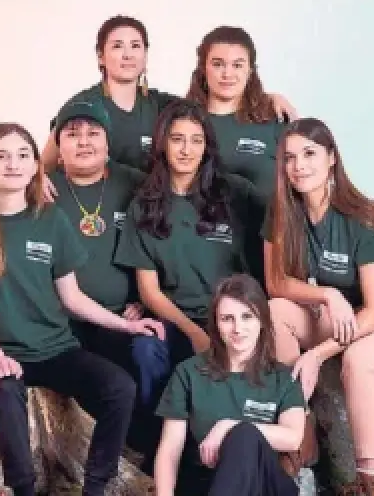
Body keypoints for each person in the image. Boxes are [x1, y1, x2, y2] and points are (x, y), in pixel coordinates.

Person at [0, 122, 163, 496]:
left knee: (119, 388)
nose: (13, 164)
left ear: (35, 166)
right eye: (2, 156)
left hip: (55, 349)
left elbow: (72, 298)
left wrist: (127, 327)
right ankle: (24, 489)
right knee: (8, 392)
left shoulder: (51, 219)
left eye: (23, 155)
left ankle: (96, 486)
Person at [262, 118, 374, 496]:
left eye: (309, 154)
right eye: (289, 157)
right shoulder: (282, 212)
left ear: (331, 158)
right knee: (275, 312)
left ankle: (370, 481)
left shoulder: (362, 216)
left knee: (359, 359)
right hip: (343, 310)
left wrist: (318, 354)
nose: (299, 166)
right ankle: (299, 433)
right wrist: (327, 295)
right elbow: (276, 282)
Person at [113, 98, 263, 464]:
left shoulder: (235, 194)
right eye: (177, 139)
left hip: (231, 318)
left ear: (207, 146)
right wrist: (193, 332)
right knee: (146, 350)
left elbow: (286, 216)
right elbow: (149, 291)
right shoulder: (144, 205)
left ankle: (227, 450)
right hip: (175, 319)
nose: (186, 149)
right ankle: (155, 446)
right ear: (162, 143)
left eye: (196, 140)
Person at [41, 15, 298, 176]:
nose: (127, 55)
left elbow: (216, 97)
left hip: (152, 217)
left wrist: (267, 97)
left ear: (145, 55)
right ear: (101, 56)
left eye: (135, 46)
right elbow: (45, 165)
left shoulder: (162, 104)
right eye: (117, 46)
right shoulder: (83, 105)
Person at [154, 274, 305, 496]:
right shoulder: (188, 373)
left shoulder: (282, 377)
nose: (238, 328)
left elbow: (293, 438)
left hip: (264, 486)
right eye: (227, 319)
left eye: (247, 317)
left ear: (262, 321)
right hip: (207, 483)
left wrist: (228, 427)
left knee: (245, 435)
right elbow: (170, 450)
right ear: (215, 323)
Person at [47, 97, 150, 373]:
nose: (84, 142)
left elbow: (161, 247)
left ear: (107, 144)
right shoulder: (41, 192)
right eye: (72, 134)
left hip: (123, 317)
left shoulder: (138, 185)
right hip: (61, 324)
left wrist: (145, 299)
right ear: (58, 147)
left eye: (93, 133)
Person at [186, 25, 287, 284]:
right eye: (218, 64)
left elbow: (307, 175)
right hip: (204, 258)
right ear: (203, 68)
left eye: (238, 65)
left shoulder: (273, 119)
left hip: (269, 252)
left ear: (251, 70)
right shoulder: (186, 123)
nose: (227, 73)